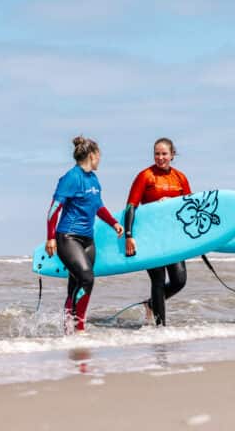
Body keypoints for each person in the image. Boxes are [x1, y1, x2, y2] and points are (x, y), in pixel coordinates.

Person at [46, 135, 123, 333]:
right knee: (87, 278)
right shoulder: (71, 177)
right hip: (68, 237)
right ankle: (78, 328)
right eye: (99, 155)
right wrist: (51, 238)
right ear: (92, 155)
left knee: (77, 282)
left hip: (88, 239)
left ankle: (69, 328)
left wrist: (114, 223)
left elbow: (97, 206)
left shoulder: (94, 179)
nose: (100, 159)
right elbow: (54, 208)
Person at [124, 138, 191, 326]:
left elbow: (190, 208)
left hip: (173, 237)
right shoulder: (145, 176)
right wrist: (129, 236)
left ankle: (151, 304)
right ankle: (161, 327)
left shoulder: (180, 178)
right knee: (159, 280)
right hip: (150, 236)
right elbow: (131, 207)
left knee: (179, 281)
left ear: (172, 155)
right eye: (157, 154)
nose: (160, 158)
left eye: (164, 154)